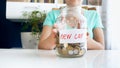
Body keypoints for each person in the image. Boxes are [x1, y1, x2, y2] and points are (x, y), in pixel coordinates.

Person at [38, 0, 105, 50]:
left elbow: (101, 47)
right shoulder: (53, 15)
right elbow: (41, 46)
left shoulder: (94, 15)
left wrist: (86, 41)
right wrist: (55, 37)